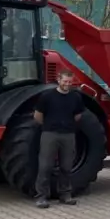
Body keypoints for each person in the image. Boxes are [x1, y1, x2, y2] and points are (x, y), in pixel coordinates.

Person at [33, 69, 85, 209]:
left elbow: (78, 115)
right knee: (45, 166)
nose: (67, 84)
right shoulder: (47, 96)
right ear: (58, 80)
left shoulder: (75, 97)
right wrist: (49, 125)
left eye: (70, 82)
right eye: (65, 81)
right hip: (50, 134)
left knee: (66, 167)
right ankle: (42, 196)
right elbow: (38, 116)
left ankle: (65, 195)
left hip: (68, 135)